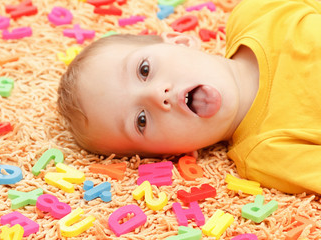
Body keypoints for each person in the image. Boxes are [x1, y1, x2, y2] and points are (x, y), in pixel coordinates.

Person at [57, 0, 321, 194]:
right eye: (141, 121)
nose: (155, 96)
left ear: (180, 41)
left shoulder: (259, 13)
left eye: (144, 70)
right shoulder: (265, 156)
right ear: (170, 154)